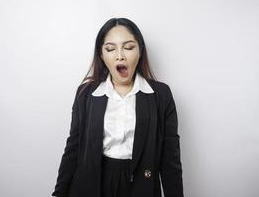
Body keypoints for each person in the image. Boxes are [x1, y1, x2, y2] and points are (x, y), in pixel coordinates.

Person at [51, 17, 184, 197]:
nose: (120, 55)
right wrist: (58, 194)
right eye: (110, 49)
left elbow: (170, 160)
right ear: (101, 54)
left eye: (128, 47)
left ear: (140, 50)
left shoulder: (161, 95)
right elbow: (73, 149)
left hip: (140, 186)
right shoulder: (86, 94)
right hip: (92, 185)